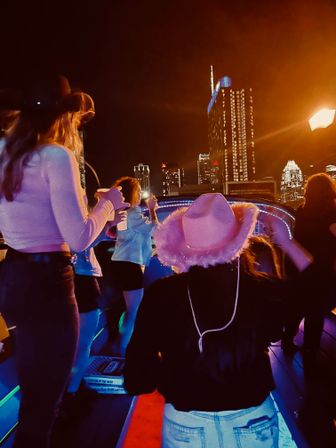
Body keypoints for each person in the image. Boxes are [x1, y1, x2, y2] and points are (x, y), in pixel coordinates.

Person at [124, 193, 314, 448]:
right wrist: (286, 242)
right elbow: (321, 288)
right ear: (238, 241)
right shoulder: (260, 289)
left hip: (186, 424)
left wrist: (176, 368)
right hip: (252, 420)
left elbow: (138, 378)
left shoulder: (162, 294)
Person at [0, 74, 128, 448]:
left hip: (13, 276)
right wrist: (108, 205)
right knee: (45, 400)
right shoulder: (56, 156)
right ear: (64, 117)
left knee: (31, 380)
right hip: (49, 284)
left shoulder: (4, 152)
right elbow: (79, 238)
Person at [281, 173, 336, 357]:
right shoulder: (331, 213)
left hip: (300, 266)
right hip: (322, 269)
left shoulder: (302, 210)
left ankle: (287, 341)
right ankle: (310, 348)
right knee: (316, 310)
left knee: (296, 306)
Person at [110, 176, 158, 355]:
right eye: (138, 191)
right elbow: (155, 229)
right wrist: (152, 210)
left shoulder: (123, 213)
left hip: (121, 263)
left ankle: (120, 343)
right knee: (134, 310)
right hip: (130, 265)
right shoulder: (134, 213)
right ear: (132, 193)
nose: (140, 195)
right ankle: (123, 348)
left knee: (129, 308)